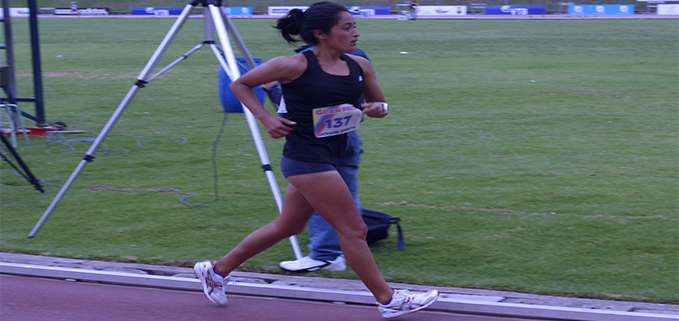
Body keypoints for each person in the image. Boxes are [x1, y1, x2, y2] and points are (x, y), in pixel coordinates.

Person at [193, 2, 438, 318]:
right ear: (321, 34)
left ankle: (216, 270)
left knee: (288, 225)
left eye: (354, 25)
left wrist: (380, 109)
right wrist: (265, 118)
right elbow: (239, 84)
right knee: (353, 229)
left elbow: (378, 102)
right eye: (346, 27)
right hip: (305, 157)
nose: (355, 32)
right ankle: (388, 300)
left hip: (333, 154)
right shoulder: (292, 65)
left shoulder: (359, 64)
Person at [263, 46, 370, 273]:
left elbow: (294, 109)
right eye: (348, 26)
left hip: (316, 145)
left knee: (325, 205)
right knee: (343, 198)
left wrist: (272, 90)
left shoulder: (304, 61)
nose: (354, 32)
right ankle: (220, 269)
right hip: (346, 136)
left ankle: (327, 254)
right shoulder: (355, 58)